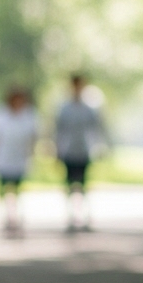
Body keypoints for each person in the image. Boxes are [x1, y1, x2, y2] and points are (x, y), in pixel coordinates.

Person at [0, 86, 40, 235]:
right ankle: (5, 215)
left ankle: (17, 215)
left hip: (20, 157)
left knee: (18, 187)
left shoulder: (29, 115)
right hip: (2, 156)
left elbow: (34, 135)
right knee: (3, 187)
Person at [54, 73, 106, 232]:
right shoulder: (64, 108)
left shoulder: (89, 108)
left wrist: (99, 146)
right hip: (68, 150)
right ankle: (70, 216)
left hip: (83, 149)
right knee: (70, 184)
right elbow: (58, 130)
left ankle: (85, 216)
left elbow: (97, 128)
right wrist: (57, 149)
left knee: (83, 184)